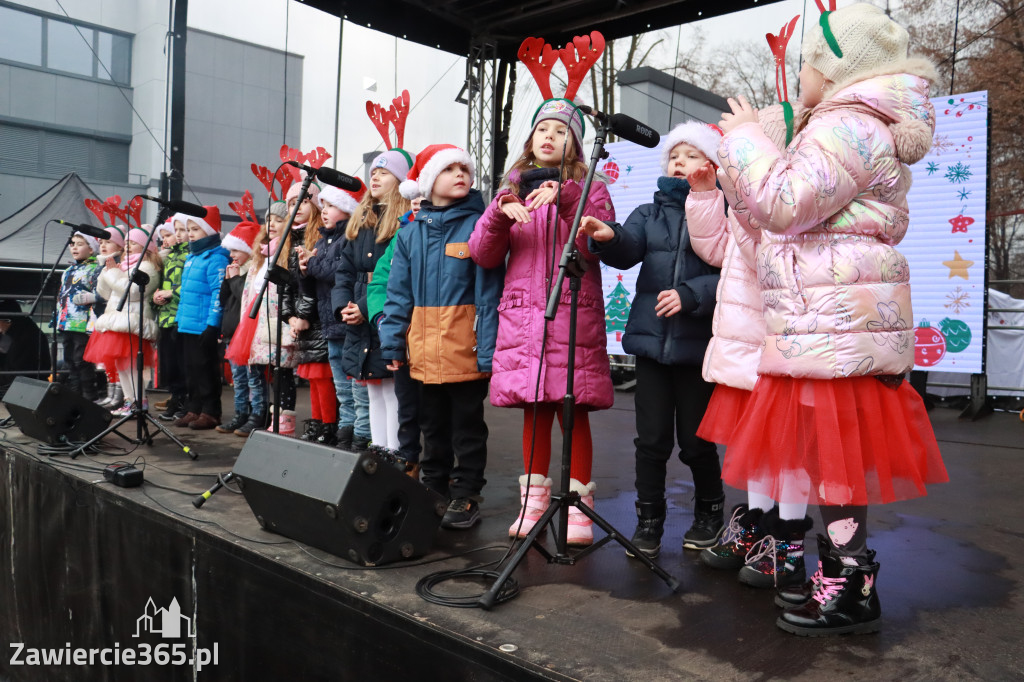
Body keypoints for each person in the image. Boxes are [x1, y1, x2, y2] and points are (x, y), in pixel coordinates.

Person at [715, 3, 948, 635]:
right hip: (827, 320)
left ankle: (849, 586)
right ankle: (844, 577)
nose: (802, 80)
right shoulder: (854, 124)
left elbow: (786, 204)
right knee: (830, 464)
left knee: (836, 466)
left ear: (833, 68)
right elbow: (771, 218)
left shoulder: (848, 125)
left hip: (835, 321)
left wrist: (745, 139)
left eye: (808, 66)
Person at [470, 100, 615, 546]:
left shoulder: (590, 187)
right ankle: (532, 505)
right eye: (541, 129)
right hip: (525, 318)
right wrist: (497, 215)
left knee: (575, 410)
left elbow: (597, 245)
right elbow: (483, 254)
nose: (549, 136)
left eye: (560, 130)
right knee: (535, 409)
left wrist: (568, 196)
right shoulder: (509, 190)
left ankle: (579, 508)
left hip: (575, 315)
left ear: (574, 142)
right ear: (531, 140)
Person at [581, 121, 725, 557]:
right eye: (674, 156)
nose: (679, 162)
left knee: (697, 442)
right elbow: (629, 247)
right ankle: (649, 520)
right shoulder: (649, 211)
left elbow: (735, 275)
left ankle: (710, 511)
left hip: (698, 348)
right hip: (651, 345)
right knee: (651, 440)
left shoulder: (727, 213)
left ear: (713, 166)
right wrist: (610, 237)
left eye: (691, 155)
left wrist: (690, 295)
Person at [693, 103, 820, 588]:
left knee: (788, 450)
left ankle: (785, 544)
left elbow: (761, 246)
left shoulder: (787, 203)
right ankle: (757, 527)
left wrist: (733, 191)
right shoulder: (758, 203)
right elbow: (719, 247)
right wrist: (713, 194)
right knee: (761, 451)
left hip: (783, 344)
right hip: (751, 343)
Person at [380, 144, 503, 530]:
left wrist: (488, 347)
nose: (460, 174)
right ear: (430, 181)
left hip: (464, 344)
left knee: (467, 426)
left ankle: (465, 493)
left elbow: (490, 291)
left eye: (464, 168)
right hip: (424, 349)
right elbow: (398, 293)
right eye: (449, 169)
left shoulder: (481, 226)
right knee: (431, 424)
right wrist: (393, 341)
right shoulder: (409, 233)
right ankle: (433, 488)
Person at [334, 153, 412, 454]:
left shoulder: (404, 223)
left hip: (385, 313)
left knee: (392, 387)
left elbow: (392, 276)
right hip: (358, 313)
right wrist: (345, 306)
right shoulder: (363, 221)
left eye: (384, 172)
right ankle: (378, 449)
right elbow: (344, 270)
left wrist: (364, 308)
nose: (375, 177)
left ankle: (395, 453)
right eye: (374, 172)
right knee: (374, 388)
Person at [303, 179, 366, 447]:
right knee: (342, 385)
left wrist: (313, 263)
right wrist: (303, 268)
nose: (324, 209)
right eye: (323, 204)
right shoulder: (322, 240)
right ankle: (345, 428)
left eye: (331, 205)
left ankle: (356, 431)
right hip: (330, 323)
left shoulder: (348, 239)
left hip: (348, 321)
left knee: (354, 384)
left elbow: (336, 272)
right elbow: (314, 280)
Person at [225, 202, 296, 436]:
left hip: (276, 317)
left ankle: (281, 416)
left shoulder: (287, 251)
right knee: (254, 371)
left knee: (280, 371)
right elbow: (249, 290)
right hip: (255, 318)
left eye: (278, 220)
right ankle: (258, 413)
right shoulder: (261, 254)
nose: (272, 225)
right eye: (269, 220)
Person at [88, 227, 162, 416]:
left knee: (132, 365)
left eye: (133, 243)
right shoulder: (123, 266)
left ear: (146, 247)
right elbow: (106, 293)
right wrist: (107, 271)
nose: (128, 246)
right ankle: (129, 401)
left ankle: (140, 401)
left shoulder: (148, 267)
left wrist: (112, 273)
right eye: (127, 242)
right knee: (121, 365)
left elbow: (132, 291)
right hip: (117, 320)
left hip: (133, 321)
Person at [174, 207, 230, 430]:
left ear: (209, 230)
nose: (190, 234)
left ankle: (210, 411)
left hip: (203, 325)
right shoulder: (192, 257)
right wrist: (180, 319)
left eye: (195, 229)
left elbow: (218, 292)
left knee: (206, 369)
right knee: (191, 369)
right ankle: (193, 407)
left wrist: (212, 325)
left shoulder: (215, 258)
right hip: (188, 324)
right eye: (189, 229)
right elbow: (186, 293)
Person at [285, 181, 329, 439]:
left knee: (323, 377)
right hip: (301, 320)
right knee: (313, 377)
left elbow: (310, 285)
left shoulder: (318, 237)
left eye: (302, 200)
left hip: (318, 319)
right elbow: (289, 286)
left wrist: (302, 316)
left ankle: (328, 425)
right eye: (292, 203)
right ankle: (317, 422)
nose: (297, 207)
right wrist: (290, 316)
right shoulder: (290, 240)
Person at [216, 221, 260, 434]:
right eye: (231, 249)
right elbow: (225, 299)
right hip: (232, 334)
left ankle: (256, 414)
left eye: (237, 249)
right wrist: (227, 281)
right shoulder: (234, 271)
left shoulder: (253, 271)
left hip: (248, 334)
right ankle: (240, 414)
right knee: (238, 380)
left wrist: (234, 280)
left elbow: (245, 296)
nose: (232, 254)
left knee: (253, 379)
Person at [52, 232, 101, 400]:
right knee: (69, 359)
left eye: (80, 244)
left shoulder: (95, 268)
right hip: (66, 321)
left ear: (91, 249)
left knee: (81, 359)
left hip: (82, 322)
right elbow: (62, 295)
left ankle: (89, 395)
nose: (74, 247)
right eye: (72, 243)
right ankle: (74, 394)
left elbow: (98, 294)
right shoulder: (68, 270)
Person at [85, 225, 126, 408]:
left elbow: (114, 292)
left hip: (118, 317)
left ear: (120, 246)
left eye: (108, 242)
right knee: (108, 360)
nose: (102, 245)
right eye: (101, 242)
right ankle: (110, 395)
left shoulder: (121, 265)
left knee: (118, 360)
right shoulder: (100, 265)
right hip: (103, 317)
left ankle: (120, 397)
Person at [153, 217, 189, 421]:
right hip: (166, 315)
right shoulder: (168, 257)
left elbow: (189, 285)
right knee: (169, 362)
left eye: (171, 233)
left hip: (180, 315)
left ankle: (183, 400)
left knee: (181, 361)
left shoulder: (188, 255)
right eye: (165, 235)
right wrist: (156, 297)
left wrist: (170, 293)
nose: (168, 238)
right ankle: (175, 398)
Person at [0, 300, 50, 394]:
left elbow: (18, 372)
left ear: (8, 321)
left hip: (24, 386)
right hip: (16, 381)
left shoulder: (25, 336)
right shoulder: (15, 332)